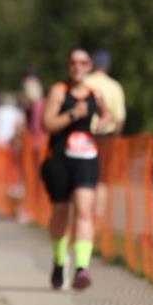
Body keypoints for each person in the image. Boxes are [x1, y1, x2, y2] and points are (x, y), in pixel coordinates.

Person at [41, 48, 112, 291]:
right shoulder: (59, 91)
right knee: (61, 213)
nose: (78, 66)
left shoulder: (94, 93)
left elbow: (107, 115)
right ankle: (60, 262)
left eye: (83, 62)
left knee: (84, 210)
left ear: (90, 66)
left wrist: (101, 124)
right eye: (73, 62)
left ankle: (82, 267)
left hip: (86, 158)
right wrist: (73, 114)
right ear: (69, 66)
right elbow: (47, 124)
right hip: (60, 158)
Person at [84, 49, 127, 233]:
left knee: (85, 179)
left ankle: (85, 214)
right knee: (102, 180)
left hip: (85, 136)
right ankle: (97, 220)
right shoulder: (114, 87)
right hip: (107, 138)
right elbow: (120, 118)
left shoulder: (85, 82)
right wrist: (116, 136)